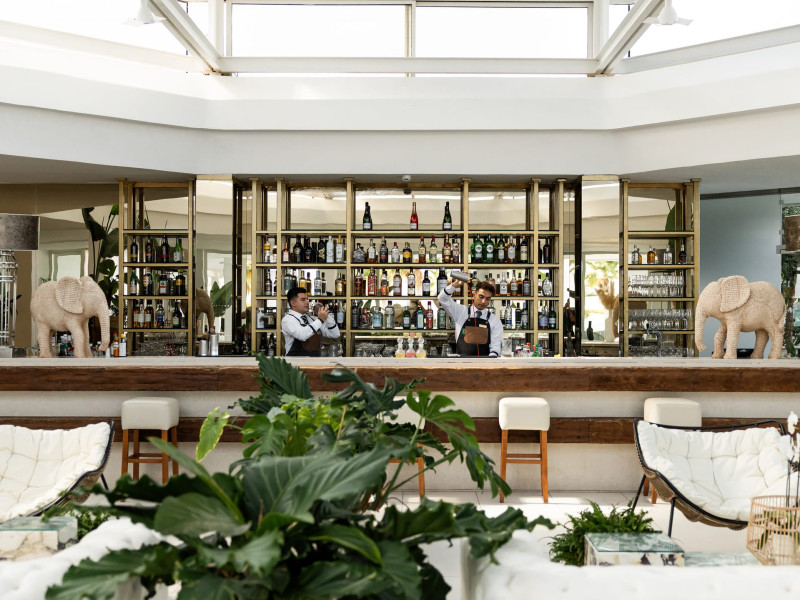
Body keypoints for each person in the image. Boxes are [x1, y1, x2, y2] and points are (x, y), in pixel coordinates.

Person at [438, 277, 503, 357]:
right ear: (474, 295)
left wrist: (490, 361)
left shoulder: (494, 321)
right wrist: (454, 286)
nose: (483, 301)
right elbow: (442, 298)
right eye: (481, 296)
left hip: (485, 362)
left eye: (487, 299)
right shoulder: (460, 312)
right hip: (461, 362)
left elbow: (496, 347)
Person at [281, 287, 340, 357]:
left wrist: (325, 315)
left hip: (315, 362)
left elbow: (335, 334)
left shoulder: (312, 319)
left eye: (307, 299)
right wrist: (320, 320)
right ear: (293, 303)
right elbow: (302, 335)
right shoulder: (288, 320)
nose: (307, 302)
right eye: (303, 300)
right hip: (295, 362)